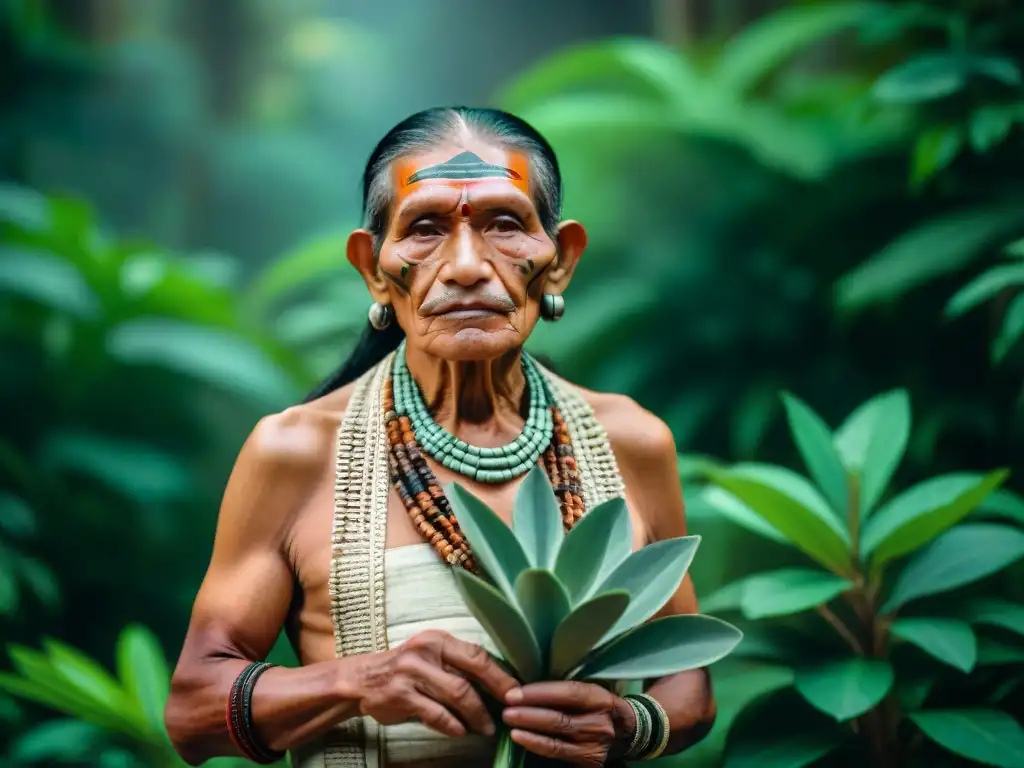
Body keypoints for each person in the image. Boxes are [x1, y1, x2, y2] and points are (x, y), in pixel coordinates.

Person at [165, 107, 715, 768]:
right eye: (424, 229)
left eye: (505, 225)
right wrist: (359, 682)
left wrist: (630, 724)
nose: (464, 266)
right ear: (373, 267)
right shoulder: (296, 453)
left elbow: (687, 678)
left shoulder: (629, 442)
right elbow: (194, 711)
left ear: (560, 260)